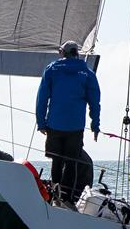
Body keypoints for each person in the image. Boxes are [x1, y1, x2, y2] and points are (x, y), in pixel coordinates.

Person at [35, 40, 100, 206]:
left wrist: (41, 123)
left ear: (62, 53)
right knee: (71, 162)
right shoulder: (87, 73)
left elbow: (42, 99)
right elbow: (95, 102)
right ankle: (66, 198)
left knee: (57, 160)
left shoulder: (51, 70)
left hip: (54, 125)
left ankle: (55, 195)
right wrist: (95, 126)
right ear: (76, 54)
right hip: (75, 126)